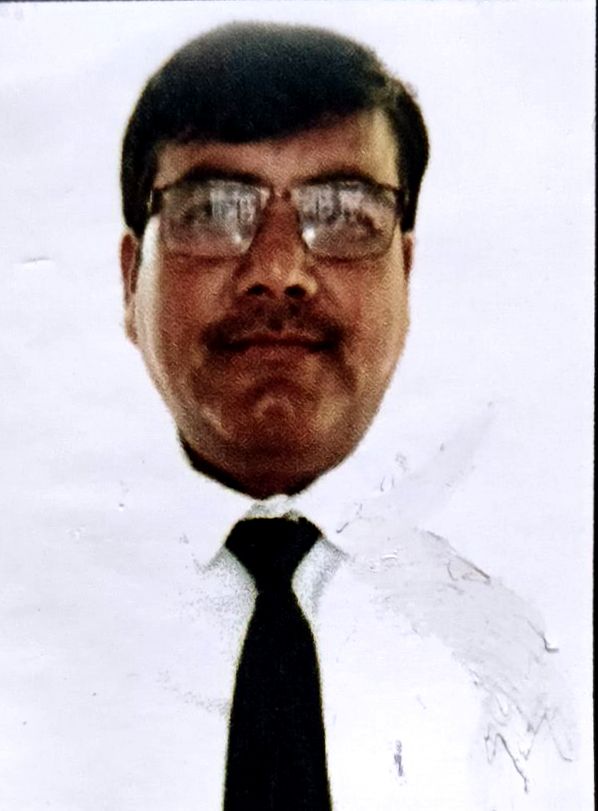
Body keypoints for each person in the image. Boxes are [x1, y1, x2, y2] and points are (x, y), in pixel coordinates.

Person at [116, 21, 579, 810]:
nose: (278, 270)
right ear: (132, 280)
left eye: (343, 214)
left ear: (405, 273)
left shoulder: (530, 655)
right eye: (213, 210)